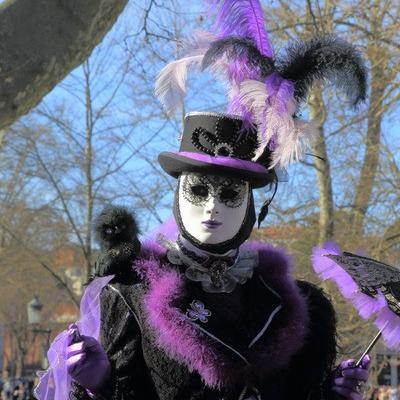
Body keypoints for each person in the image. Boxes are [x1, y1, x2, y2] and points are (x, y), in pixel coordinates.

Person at [36, 1, 372, 399]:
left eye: (230, 194)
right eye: (198, 190)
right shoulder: (130, 296)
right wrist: (100, 385)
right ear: (178, 194)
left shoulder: (297, 304)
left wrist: (331, 393)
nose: (212, 206)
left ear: (250, 204)